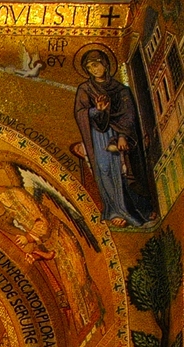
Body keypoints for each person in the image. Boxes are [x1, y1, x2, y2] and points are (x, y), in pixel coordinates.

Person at [0, 179, 103, 332]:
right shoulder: (5, 202)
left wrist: (29, 237)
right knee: (69, 286)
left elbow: (42, 220)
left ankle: (99, 316)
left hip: (61, 235)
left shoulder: (15, 194)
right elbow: (35, 231)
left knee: (79, 276)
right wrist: (38, 253)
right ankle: (88, 326)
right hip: (53, 245)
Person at [73, 48, 154, 227]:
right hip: (98, 136)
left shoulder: (121, 90)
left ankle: (134, 210)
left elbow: (128, 115)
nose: (94, 70)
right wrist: (97, 110)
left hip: (118, 135)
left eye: (96, 65)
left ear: (105, 64)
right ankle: (115, 210)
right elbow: (80, 113)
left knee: (123, 170)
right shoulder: (85, 89)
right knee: (104, 169)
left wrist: (123, 136)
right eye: (89, 68)